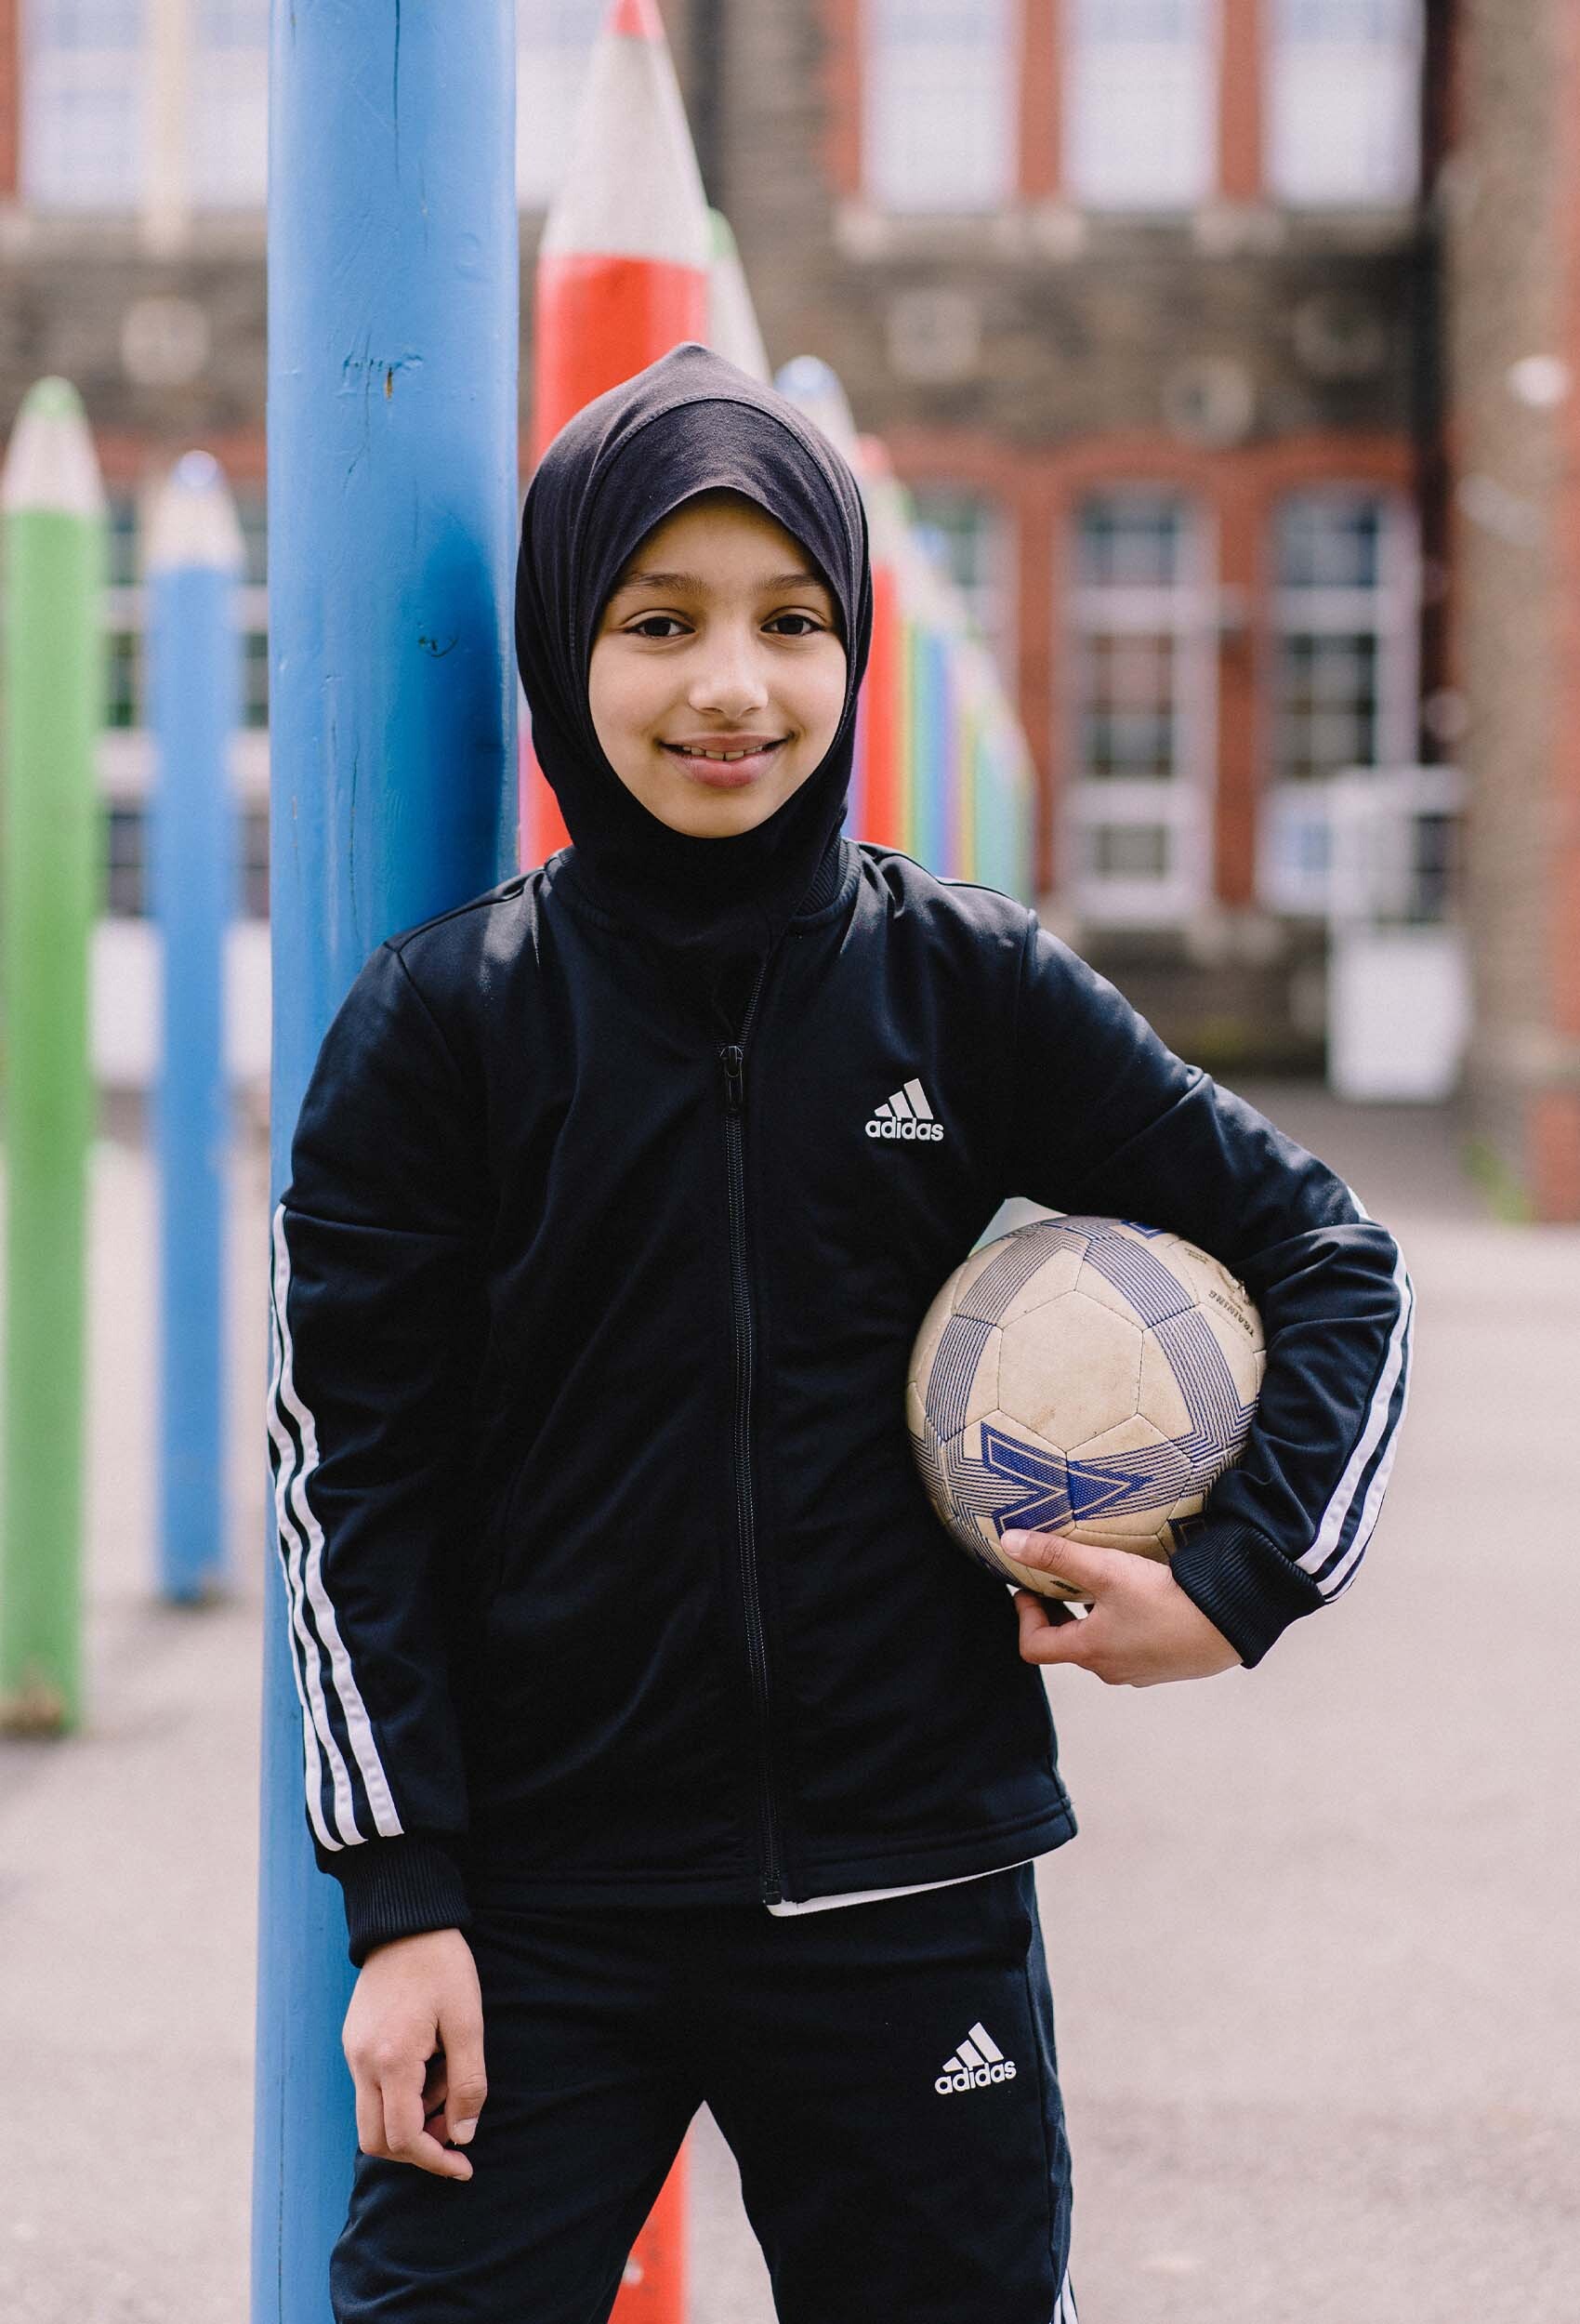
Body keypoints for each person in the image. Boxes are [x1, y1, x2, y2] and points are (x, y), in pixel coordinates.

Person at [268, 342, 1415, 2323]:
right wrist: (406, 1900)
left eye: (791, 620)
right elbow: (348, 1478)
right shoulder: (447, 1026)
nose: (733, 684)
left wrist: (1236, 1583)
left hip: (909, 1893)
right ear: (566, 646)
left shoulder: (963, 986)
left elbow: (1332, 1258)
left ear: (855, 642)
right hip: (541, 1909)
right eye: (660, 621)